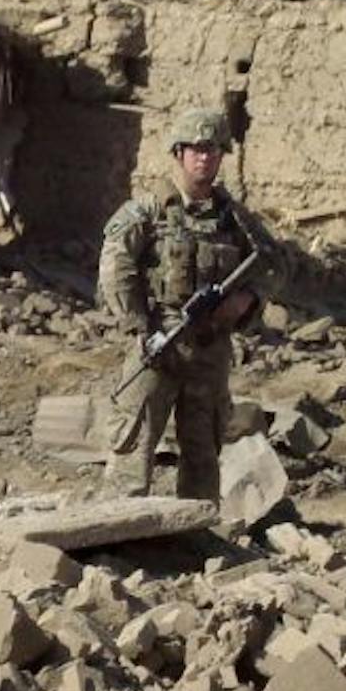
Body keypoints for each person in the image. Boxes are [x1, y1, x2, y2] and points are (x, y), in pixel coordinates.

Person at [99, 106, 276, 501]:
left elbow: (276, 265)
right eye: (196, 149)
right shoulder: (148, 211)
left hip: (210, 350)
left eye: (213, 149)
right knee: (132, 443)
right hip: (159, 340)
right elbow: (116, 265)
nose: (205, 157)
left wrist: (246, 302)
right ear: (178, 153)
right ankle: (113, 540)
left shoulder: (235, 221)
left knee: (203, 455)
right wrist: (139, 326)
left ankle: (195, 541)